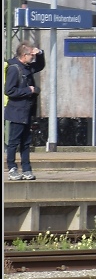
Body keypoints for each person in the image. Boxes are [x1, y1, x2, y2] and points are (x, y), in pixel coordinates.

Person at [5, 41, 46, 181]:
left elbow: (40, 65)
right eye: (31, 55)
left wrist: (39, 53)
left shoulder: (27, 67)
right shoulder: (15, 68)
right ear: (24, 55)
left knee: (26, 142)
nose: (32, 58)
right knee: (14, 141)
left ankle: (27, 168)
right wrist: (28, 90)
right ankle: (12, 168)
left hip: (27, 110)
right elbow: (9, 90)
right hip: (17, 110)